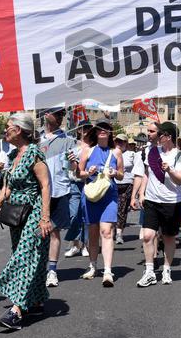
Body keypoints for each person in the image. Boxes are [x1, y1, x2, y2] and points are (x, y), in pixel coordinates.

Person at [0, 112, 53, 331]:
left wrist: (45, 218)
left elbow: (45, 185)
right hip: (16, 215)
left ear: (20, 130)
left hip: (33, 213)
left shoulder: (34, 153)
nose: (5, 130)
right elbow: (7, 187)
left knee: (25, 258)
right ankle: (36, 300)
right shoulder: (14, 154)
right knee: (25, 255)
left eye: (8, 127)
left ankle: (16, 310)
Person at [133, 121, 181, 287]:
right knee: (148, 235)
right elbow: (147, 175)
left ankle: (166, 269)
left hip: (171, 202)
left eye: (160, 134)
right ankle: (149, 272)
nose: (156, 136)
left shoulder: (179, 155)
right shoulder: (152, 151)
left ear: (168, 136)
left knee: (169, 237)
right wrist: (141, 193)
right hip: (152, 200)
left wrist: (169, 170)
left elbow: (180, 180)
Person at [37, 107, 80, 287]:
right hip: (37, 192)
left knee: (54, 232)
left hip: (58, 191)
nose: (62, 117)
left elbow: (73, 169)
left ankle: (52, 271)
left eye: (63, 114)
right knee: (37, 233)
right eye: (58, 114)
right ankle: (37, 269)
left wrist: (72, 161)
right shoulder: (36, 138)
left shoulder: (69, 141)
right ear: (47, 115)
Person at [76, 120, 123, 286]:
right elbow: (78, 173)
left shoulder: (116, 152)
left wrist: (115, 172)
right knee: (93, 231)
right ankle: (92, 266)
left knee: (107, 231)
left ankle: (108, 271)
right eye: (100, 129)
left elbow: (122, 175)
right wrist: (87, 172)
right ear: (95, 133)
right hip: (91, 195)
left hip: (109, 195)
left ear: (110, 133)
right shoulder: (87, 150)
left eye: (106, 129)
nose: (103, 131)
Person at [63, 121, 92, 259]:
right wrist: (71, 162)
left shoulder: (94, 146)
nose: (86, 130)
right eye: (83, 128)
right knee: (74, 215)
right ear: (78, 130)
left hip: (89, 183)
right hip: (74, 183)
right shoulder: (72, 145)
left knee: (86, 215)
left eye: (88, 128)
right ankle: (75, 244)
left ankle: (85, 244)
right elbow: (67, 167)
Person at [114, 133, 135, 244]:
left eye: (122, 141)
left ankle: (119, 233)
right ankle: (111, 230)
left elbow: (138, 172)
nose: (119, 143)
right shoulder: (112, 153)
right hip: (112, 184)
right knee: (112, 209)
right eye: (117, 141)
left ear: (126, 143)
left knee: (121, 209)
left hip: (126, 185)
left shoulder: (132, 154)